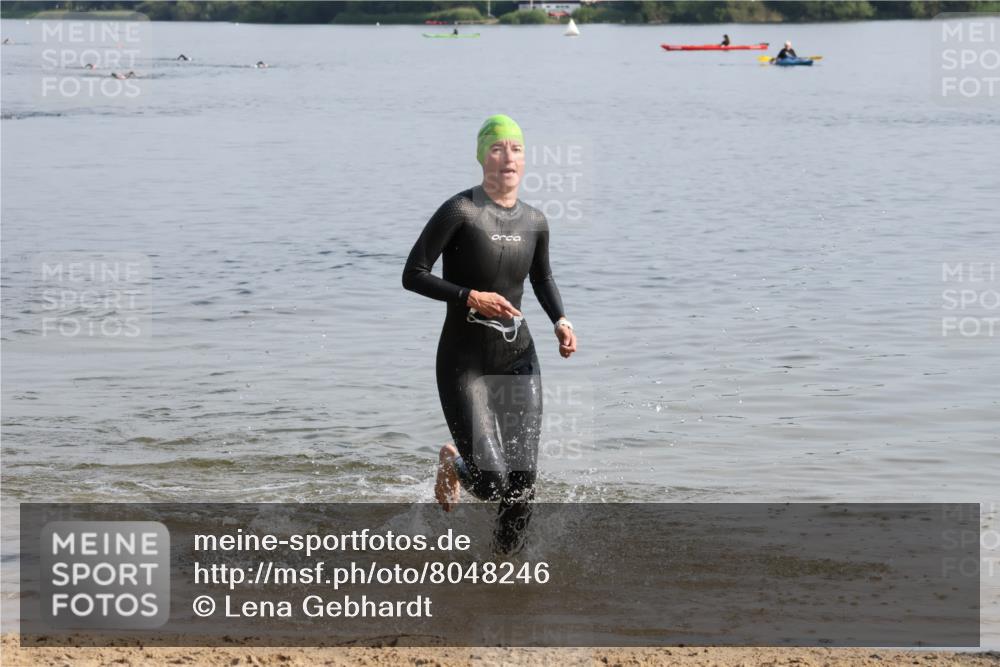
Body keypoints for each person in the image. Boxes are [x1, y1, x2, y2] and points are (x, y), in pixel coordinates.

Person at [402, 115, 577, 556]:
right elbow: (413, 275)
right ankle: (454, 462)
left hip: (518, 356)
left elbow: (542, 278)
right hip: (465, 362)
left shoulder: (535, 220)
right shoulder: (460, 211)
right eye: (497, 148)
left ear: (525, 158)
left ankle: (504, 573)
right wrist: (469, 296)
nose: (507, 157)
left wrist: (561, 320)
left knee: (523, 483)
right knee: (493, 480)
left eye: (515, 149)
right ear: (482, 156)